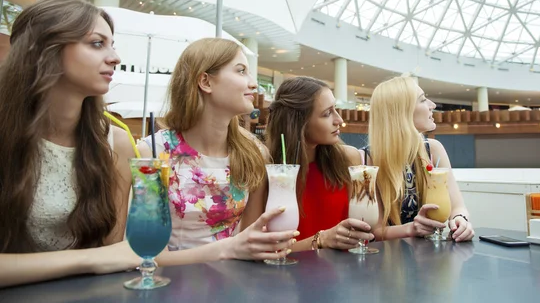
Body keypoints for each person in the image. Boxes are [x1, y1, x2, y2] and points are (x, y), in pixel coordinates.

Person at [0, 0, 139, 288]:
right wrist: (90, 259)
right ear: (44, 48)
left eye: (112, 45)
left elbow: (112, 253)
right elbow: (106, 257)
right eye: (97, 43)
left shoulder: (114, 143)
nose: (114, 57)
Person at [138, 38, 298, 265]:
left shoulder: (253, 153)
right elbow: (146, 256)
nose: (253, 84)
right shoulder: (152, 153)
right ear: (206, 81)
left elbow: (249, 242)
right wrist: (228, 248)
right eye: (241, 71)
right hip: (169, 286)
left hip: (232, 285)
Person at [266, 77, 374, 251]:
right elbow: (263, 248)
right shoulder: (271, 170)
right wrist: (321, 240)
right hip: (290, 273)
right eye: (327, 113)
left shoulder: (348, 158)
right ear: (300, 122)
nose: (338, 119)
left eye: (335, 109)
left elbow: (363, 229)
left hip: (345, 271)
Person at [367, 75, 474, 242]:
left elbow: (458, 207)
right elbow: (374, 231)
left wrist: (461, 220)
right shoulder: (368, 159)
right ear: (402, 112)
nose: (433, 105)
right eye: (423, 100)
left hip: (428, 258)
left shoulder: (434, 149)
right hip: (387, 261)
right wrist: (411, 228)